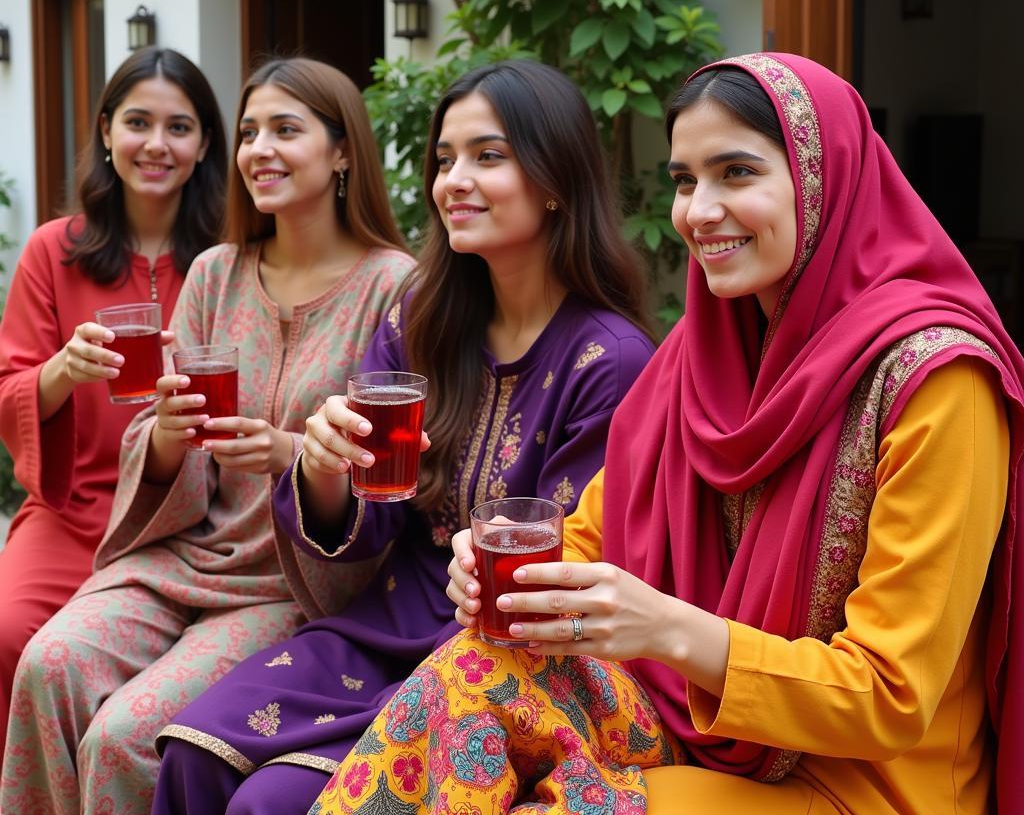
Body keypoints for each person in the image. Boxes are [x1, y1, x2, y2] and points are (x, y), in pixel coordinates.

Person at [308, 52, 1024, 815]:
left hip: (857, 781)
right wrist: (506, 583)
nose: (699, 210)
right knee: (473, 666)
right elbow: (591, 533)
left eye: (738, 173)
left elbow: (891, 697)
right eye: (685, 180)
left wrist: (668, 629)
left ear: (826, 179)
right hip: (694, 725)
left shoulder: (937, 382)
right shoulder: (704, 354)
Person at [150, 58, 657, 815]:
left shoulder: (606, 359)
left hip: (495, 658)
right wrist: (323, 468)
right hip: (384, 619)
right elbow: (370, 520)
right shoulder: (423, 316)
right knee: (191, 751)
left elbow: (563, 577)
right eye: (444, 160)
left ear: (556, 180)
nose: (454, 179)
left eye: (488, 156)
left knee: (269, 800)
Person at [0, 58, 414, 815]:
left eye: (286, 130)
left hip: (288, 585)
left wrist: (293, 455)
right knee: (46, 664)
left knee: (122, 736)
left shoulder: (394, 286)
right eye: (250, 131)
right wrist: (165, 434)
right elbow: (165, 453)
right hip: (180, 555)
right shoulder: (218, 272)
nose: (260, 148)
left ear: (344, 150)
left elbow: (401, 465)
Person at [0, 47, 227, 755]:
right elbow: (9, 389)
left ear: (204, 145)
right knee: (9, 633)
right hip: (77, 513)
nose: (156, 145)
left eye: (179, 127)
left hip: (195, 525)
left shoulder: (230, 257)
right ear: (105, 132)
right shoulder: (54, 251)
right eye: (137, 122)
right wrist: (63, 372)